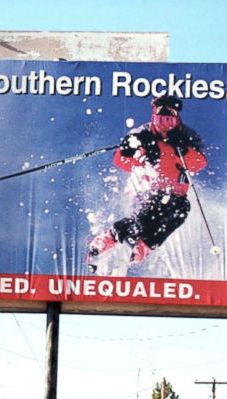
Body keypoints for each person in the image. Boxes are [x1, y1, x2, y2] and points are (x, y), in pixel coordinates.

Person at [87, 94, 207, 273]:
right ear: (154, 116)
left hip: (176, 194)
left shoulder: (186, 136)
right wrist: (127, 151)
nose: (164, 125)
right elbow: (121, 161)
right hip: (147, 189)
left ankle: (141, 247)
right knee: (146, 216)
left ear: (176, 117)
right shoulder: (143, 134)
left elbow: (199, 163)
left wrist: (183, 150)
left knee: (180, 212)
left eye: (169, 119)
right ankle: (103, 242)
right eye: (160, 119)